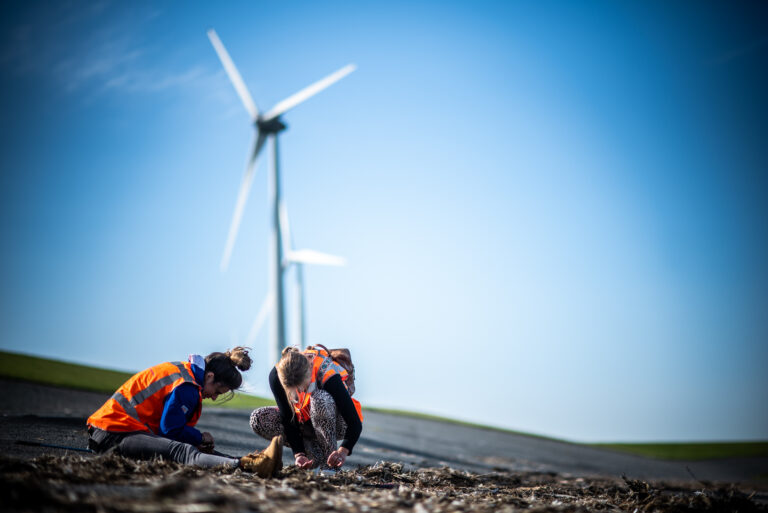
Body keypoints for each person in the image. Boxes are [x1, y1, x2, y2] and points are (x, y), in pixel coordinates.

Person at [87, 347, 282, 477]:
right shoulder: (187, 386)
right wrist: (199, 437)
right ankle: (248, 465)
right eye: (217, 391)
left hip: (115, 429)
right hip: (112, 433)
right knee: (183, 451)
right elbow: (169, 430)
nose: (213, 397)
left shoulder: (185, 372)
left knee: (194, 449)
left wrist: (198, 440)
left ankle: (252, 463)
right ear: (210, 376)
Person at [250, 345, 363, 470]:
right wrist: (299, 453)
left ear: (309, 371)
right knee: (258, 418)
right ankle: (312, 454)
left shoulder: (328, 375)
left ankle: (329, 464)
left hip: (338, 424)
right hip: (305, 425)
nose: (298, 391)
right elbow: (287, 418)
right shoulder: (276, 376)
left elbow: (355, 424)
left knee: (320, 399)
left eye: (301, 387)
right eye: (292, 391)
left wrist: (342, 452)